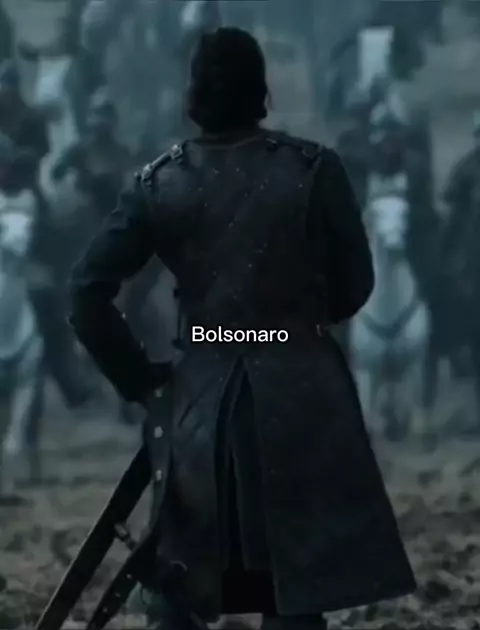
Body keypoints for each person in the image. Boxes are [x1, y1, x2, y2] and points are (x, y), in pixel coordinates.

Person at [69, 27, 416, 630]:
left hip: (198, 407)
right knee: (295, 596)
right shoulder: (315, 169)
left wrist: (144, 382)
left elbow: (85, 294)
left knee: (182, 593)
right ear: (263, 93)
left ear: (194, 96)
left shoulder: (160, 183)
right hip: (304, 400)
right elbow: (355, 286)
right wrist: (290, 335)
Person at [0, 59, 93, 410]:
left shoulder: (31, 121)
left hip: (26, 189)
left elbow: (41, 151)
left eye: (9, 85)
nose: (5, 91)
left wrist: (23, 166)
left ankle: (68, 380)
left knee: (46, 302)